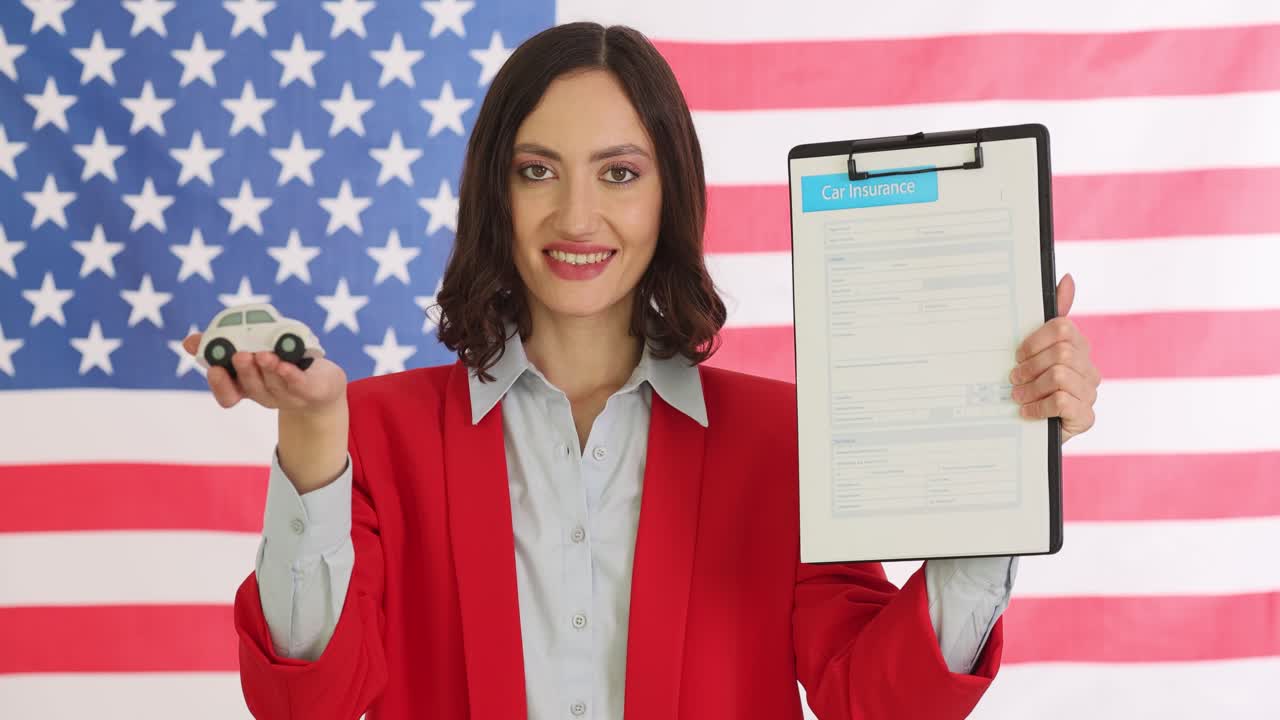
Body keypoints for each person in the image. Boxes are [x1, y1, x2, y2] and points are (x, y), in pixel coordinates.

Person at [183, 22, 1101, 720]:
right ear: (492, 194)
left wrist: (1001, 468)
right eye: (537, 170)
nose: (577, 216)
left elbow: (876, 699)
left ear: (671, 194)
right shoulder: (372, 434)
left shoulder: (778, 440)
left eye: (619, 174)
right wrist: (310, 440)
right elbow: (306, 699)